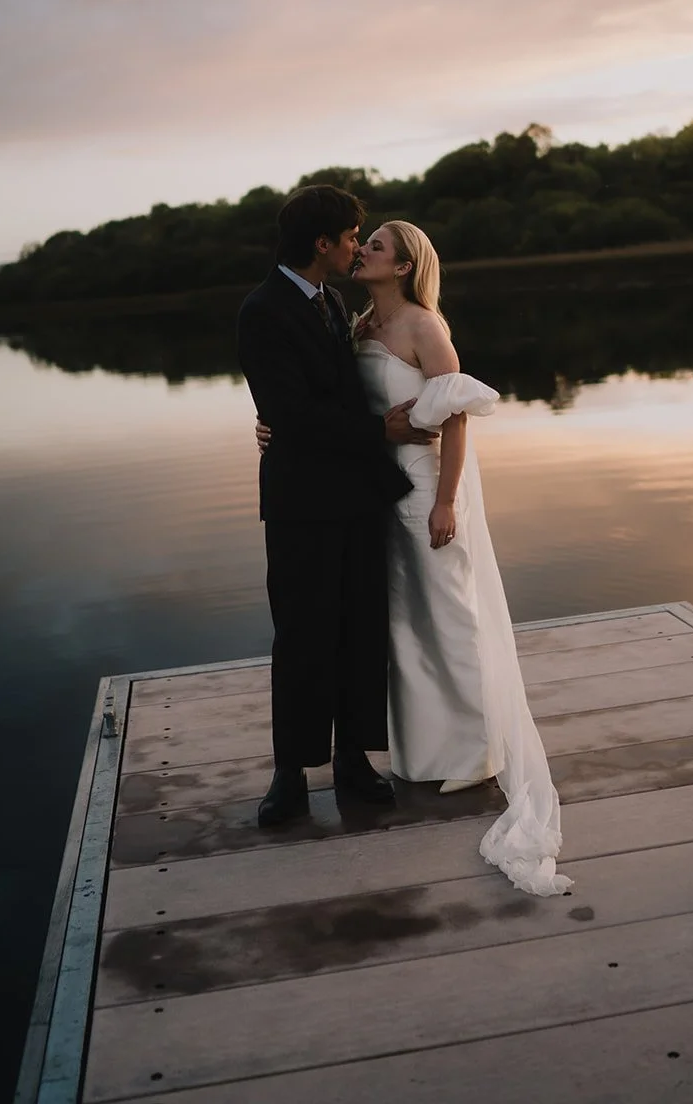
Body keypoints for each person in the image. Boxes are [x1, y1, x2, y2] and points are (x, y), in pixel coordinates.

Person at [257, 216, 571, 896]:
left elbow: (453, 419)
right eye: (359, 241)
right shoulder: (357, 320)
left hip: (424, 486)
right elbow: (325, 400)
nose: (360, 249)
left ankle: (471, 749)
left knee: (449, 612)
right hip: (372, 491)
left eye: (373, 246)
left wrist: (447, 502)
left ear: (402, 265)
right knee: (400, 627)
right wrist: (277, 423)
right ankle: (420, 745)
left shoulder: (425, 327)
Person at [236, 185, 436, 827]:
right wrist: (383, 433)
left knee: (360, 629)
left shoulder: (334, 301)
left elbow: (343, 397)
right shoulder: (262, 310)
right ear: (321, 242)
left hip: (357, 495)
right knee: (301, 635)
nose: (357, 244)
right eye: (352, 236)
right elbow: (291, 412)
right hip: (300, 504)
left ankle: (354, 758)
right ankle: (290, 774)